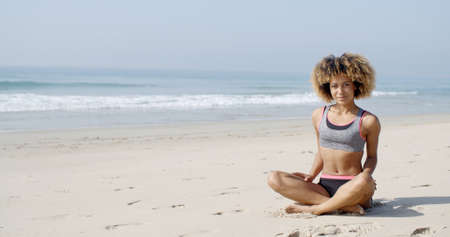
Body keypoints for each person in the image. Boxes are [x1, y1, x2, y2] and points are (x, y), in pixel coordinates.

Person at [267, 53, 380, 215]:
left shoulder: (368, 120)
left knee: (363, 180)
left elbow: (372, 156)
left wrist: (367, 175)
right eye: (334, 86)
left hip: (354, 184)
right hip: (325, 186)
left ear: (356, 85)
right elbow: (321, 150)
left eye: (346, 84)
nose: (340, 91)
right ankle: (341, 205)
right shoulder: (318, 115)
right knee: (274, 177)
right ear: (328, 87)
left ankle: (316, 209)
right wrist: (311, 175)